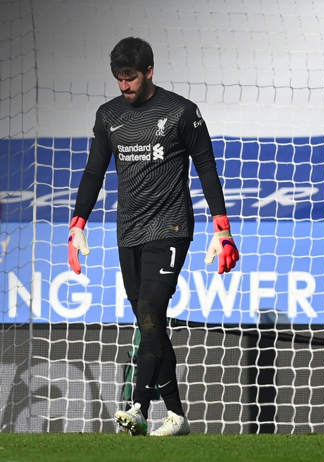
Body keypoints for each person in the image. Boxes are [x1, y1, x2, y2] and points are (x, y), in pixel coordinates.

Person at [67, 37, 239, 436]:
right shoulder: (108, 115)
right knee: (151, 323)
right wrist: (78, 224)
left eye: (131, 78)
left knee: (148, 309)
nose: (125, 86)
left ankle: (138, 406)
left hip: (171, 227)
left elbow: (207, 168)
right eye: (119, 79)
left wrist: (223, 229)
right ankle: (176, 415)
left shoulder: (181, 112)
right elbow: (94, 172)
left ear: (149, 72)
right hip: (128, 230)